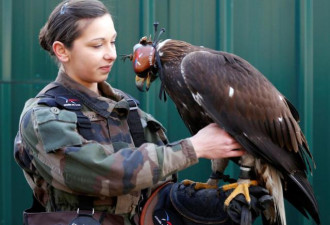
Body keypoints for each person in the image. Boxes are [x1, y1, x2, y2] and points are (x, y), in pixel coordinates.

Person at [14, 0, 246, 224]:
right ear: (62, 51)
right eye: (97, 45)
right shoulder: (43, 116)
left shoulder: (127, 108)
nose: (111, 54)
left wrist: (193, 201)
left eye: (112, 42)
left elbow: (151, 183)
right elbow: (100, 174)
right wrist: (194, 148)